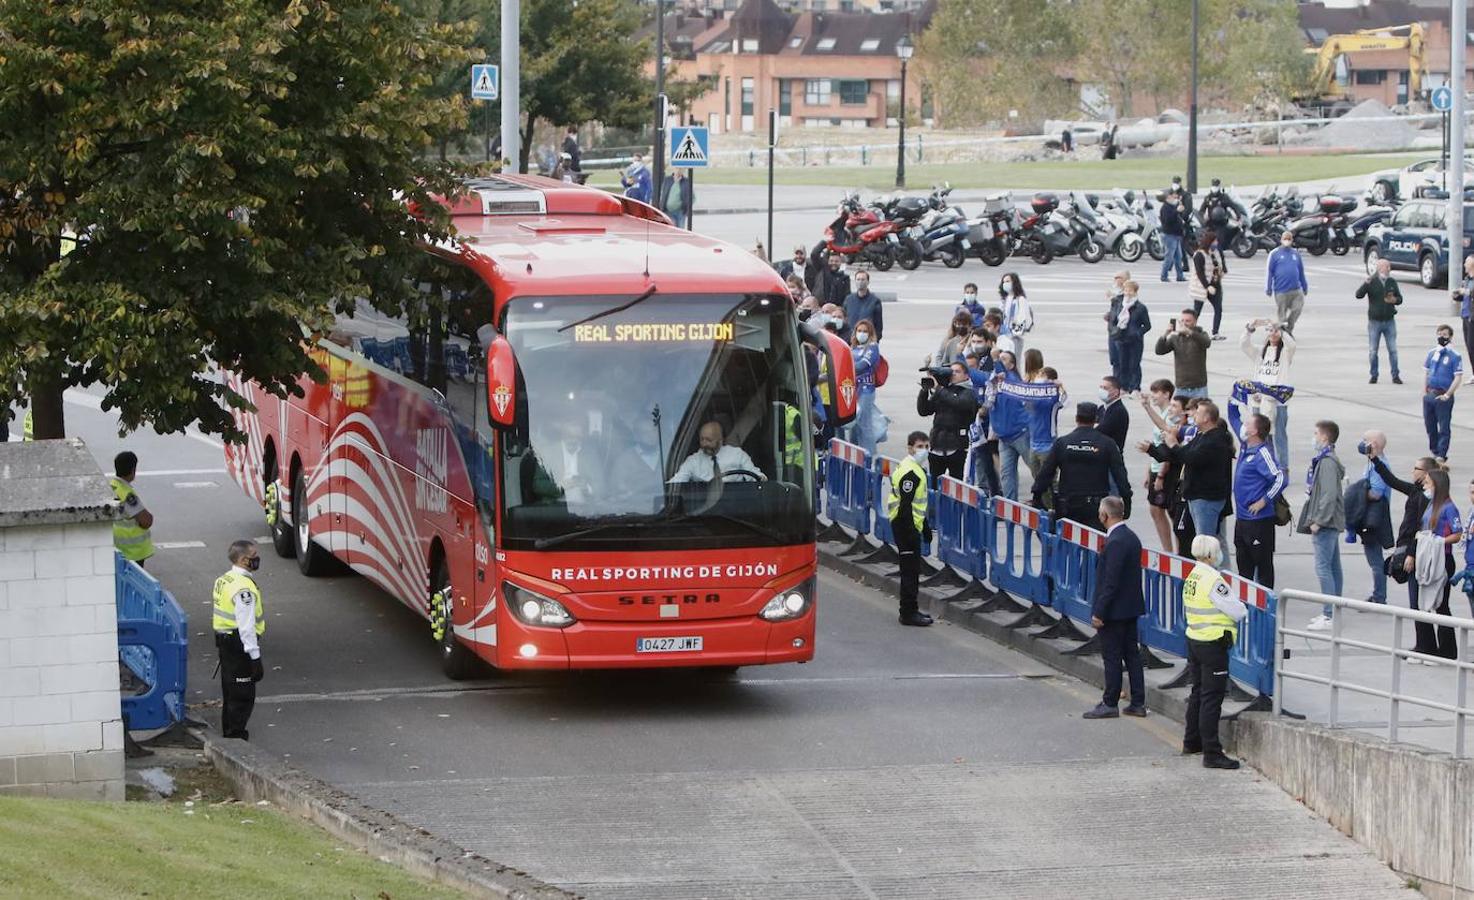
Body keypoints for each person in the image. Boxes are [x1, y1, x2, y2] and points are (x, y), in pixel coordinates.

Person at [1369, 453, 1455, 658]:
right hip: (1417, 553)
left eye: (1416, 469)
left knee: (1433, 604)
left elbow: (1421, 531)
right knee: (1418, 604)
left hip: (1424, 556)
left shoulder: (1430, 500)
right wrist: (1375, 461)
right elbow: (1393, 481)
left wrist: (1411, 554)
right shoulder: (1416, 491)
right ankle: (1426, 646)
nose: (1412, 472)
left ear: (1427, 474)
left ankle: (1441, 650)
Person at [1180, 534, 1248, 769]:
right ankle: (1212, 752)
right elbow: (1237, 611)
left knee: (1198, 693)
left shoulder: (1193, 575)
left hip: (1195, 640)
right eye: (1218, 551)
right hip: (1213, 643)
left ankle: (1191, 741)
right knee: (1212, 697)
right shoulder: (1212, 579)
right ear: (1210, 555)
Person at [1083, 496, 1147, 719]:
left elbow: (1111, 581)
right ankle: (1138, 702)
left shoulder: (1116, 542)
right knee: (1132, 656)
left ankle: (1110, 702)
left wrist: (1099, 611)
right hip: (1130, 608)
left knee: (1112, 657)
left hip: (1115, 611)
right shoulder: (1131, 537)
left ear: (1105, 515)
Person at [1144, 400, 1233, 556]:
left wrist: (1173, 444)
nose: (1192, 415)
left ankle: (1210, 575)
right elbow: (1180, 451)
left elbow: (1190, 458)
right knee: (1203, 540)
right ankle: (1214, 573)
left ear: (1206, 418)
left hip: (1206, 499)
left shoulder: (1214, 441)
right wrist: (1152, 449)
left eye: (1197, 412)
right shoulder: (1201, 435)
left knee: (1205, 544)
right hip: (1196, 496)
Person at [1031, 402, 1131, 528]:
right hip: (1096, 507)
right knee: (1095, 543)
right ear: (1096, 420)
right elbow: (1120, 474)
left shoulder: (1063, 443)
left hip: (1068, 505)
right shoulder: (1107, 444)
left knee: (1067, 543)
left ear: (1076, 418)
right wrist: (1127, 499)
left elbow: (1046, 472)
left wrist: (1037, 495)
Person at [213, 539, 266, 740]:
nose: (257, 560)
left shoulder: (224, 579)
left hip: (225, 642)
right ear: (244, 560)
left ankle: (229, 733)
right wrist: (254, 657)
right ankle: (235, 737)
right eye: (254, 557)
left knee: (230, 691)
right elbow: (246, 627)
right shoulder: (244, 588)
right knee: (242, 694)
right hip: (239, 645)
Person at [1228, 411, 1284, 587]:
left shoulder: (1262, 453)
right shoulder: (1246, 447)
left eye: (1248, 423)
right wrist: (1235, 397)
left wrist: (1264, 501)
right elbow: (1233, 418)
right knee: (1244, 569)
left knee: (1263, 567)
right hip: (1242, 520)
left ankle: (1266, 610)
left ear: (1254, 431)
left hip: (1259, 521)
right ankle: (1246, 609)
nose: (1243, 425)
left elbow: (1281, 478)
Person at [1300, 420, 1347, 631]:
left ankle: (1329, 614)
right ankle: (1333, 609)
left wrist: (1319, 519)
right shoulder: (1326, 460)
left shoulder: (1327, 463)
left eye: (1316, 433)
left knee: (1323, 568)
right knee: (1333, 566)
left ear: (1325, 437)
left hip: (1325, 523)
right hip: (1330, 521)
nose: (1314, 437)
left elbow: (1329, 495)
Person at [1411, 469, 1462, 663]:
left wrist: (1439, 541)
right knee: (1430, 602)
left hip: (1443, 558)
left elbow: (1458, 533)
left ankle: (1448, 649)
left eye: (1428, 483)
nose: (1425, 486)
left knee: (1441, 604)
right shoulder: (1431, 504)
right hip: (1429, 556)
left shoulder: (1449, 507)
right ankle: (1434, 648)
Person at [890, 432, 934, 627]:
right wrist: (911, 533)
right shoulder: (911, 473)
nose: (923, 450)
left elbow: (917, 504)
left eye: (926, 446)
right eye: (919, 446)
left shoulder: (915, 469)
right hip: (904, 526)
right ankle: (908, 612)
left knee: (913, 570)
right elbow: (905, 506)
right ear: (909, 448)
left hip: (910, 525)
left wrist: (924, 527)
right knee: (910, 572)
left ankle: (911, 609)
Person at [1240, 318, 1296, 469]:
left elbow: (1292, 345)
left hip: (1278, 401)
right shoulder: (1260, 352)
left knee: (1279, 434)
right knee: (1260, 433)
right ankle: (1264, 462)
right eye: (1270, 331)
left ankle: (1283, 465)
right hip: (1259, 399)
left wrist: (1281, 330)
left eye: (1275, 331)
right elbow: (1244, 344)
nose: (1272, 334)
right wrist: (1250, 328)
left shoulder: (1285, 353)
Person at [917, 361, 979, 483]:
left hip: (957, 447)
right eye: (952, 371)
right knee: (934, 484)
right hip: (937, 444)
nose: (953, 374)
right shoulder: (944, 390)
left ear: (966, 376)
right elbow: (924, 411)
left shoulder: (969, 392)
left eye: (957, 371)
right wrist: (924, 391)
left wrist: (938, 389)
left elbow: (958, 403)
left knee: (957, 486)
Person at [1352, 431, 1394, 606]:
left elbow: (1376, 493)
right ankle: (1378, 594)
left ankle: (1379, 596)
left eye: (1366, 440)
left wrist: (1356, 494)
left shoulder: (1378, 466)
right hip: (1373, 516)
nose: (1362, 443)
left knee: (1375, 559)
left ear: (1374, 444)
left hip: (1373, 518)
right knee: (1374, 558)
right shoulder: (1375, 463)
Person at [1138, 380, 1181, 551]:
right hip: (1156, 467)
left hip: (1164, 470)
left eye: (1156, 392)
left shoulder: (1170, 417)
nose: (1154, 396)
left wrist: (1161, 475)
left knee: (1168, 511)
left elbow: (1169, 451)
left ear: (1166, 394)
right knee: (1155, 510)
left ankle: (1176, 551)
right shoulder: (1162, 414)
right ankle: (1168, 550)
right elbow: (1156, 444)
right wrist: (1149, 471)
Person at [987, 350, 1031, 501]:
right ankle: (1009, 507)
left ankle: (1047, 502)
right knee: (1006, 475)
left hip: (1020, 434)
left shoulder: (1011, 381)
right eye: (999, 359)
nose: (1000, 360)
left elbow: (1002, 374)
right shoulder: (995, 382)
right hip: (1004, 437)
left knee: (1037, 470)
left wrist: (995, 359)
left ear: (1012, 365)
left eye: (1004, 359)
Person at [1356, 257, 1404, 384]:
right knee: (1373, 350)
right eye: (1386, 266)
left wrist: (1395, 300)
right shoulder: (1372, 281)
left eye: (1389, 266)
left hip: (1389, 320)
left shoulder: (1392, 282)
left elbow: (1400, 299)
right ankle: (1374, 374)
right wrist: (1365, 284)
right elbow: (1358, 295)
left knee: (1393, 350)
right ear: (1379, 268)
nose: (1388, 269)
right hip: (1375, 321)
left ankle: (1395, 375)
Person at [670, 421, 765, 483]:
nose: (704, 444)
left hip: (735, 504)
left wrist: (761, 478)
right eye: (702, 439)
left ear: (720, 440)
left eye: (708, 440)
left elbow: (755, 475)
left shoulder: (737, 455)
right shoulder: (693, 461)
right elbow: (677, 481)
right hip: (705, 508)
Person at [846, 319, 887, 457]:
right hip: (852, 390)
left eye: (865, 331)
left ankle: (870, 458)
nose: (861, 334)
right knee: (853, 425)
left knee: (864, 424)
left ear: (870, 334)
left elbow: (861, 366)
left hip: (865, 390)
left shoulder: (872, 348)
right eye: (859, 331)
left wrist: (847, 366)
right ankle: (855, 454)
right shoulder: (851, 348)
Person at [1423, 324, 1462, 464]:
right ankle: (1434, 450)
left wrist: (1448, 394)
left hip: (1443, 394)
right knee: (1430, 425)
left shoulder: (1454, 355)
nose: (1441, 337)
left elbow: (1458, 377)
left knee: (1444, 425)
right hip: (1430, 393)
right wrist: (1424, 390)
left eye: (1445, 335)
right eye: (1439, 334)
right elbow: (1427, 372)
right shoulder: (1432, 353)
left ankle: (1442, 453)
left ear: (1450, 337)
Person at [1154, 309, 1212, 400]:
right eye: (1182, 321)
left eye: (1188, 321)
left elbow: (1207, 343)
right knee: (1177, 413)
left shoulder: (1201, 334)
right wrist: (1165, 334)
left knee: (1200, 412)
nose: (1184, 323)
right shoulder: (1175, 338)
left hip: (1199, 387)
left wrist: (1190, 333)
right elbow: (1159, 351)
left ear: (1195, 322)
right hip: (1181, 387)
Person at [110, 451, 155, 567]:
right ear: (133, 469)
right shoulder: (126, 494)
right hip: (133, 552)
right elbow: (146, 521)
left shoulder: (112, 486)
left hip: (116, 549)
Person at [1108, 279, 1151, 393]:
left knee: (1134, 364)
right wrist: (1114, 331)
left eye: (1130, 290)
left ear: (1135, 291)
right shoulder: (1119, 304)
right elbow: (1113, 319)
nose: (1127, 292)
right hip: (1121, 338)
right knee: (1123, 364)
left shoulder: (1140, 307)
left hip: (1134, 340)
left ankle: (1135, 387)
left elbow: (1147, 325)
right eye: (1126, 289)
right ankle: (1124, 386)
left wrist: (1137, 333)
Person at [1265, 231, 1308, 333]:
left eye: (1289, 239)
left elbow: (1301, 271)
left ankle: (1289, 327)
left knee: (1297, 309)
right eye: (1285, 239)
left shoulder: (1296, 254)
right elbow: (1269, 271)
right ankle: (1282, 333)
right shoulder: (1274, 254)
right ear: (1281, 240)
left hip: (1296, 290)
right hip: (1281, 290)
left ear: (1292, 241)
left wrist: (1304, 286)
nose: (1287, 241)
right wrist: (1268, 287)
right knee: (1282, 316)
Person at [1188, 232, 1227, 340]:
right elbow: (1200, 273)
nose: (1216, 243)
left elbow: (1222, 264)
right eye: (1214, 241)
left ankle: (1215, 332)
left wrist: (1222, 272)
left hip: (1215, 284)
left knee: (1218, 308)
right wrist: (1207, 286)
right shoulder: (1199, 255)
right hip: (1201, 286)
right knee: (1197, 310)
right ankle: (1190, 330)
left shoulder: (1216, 252)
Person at [997, 273, 1031, 359]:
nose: (1005, 284)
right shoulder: (1004, 300)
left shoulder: (1020, 300)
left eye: (1008, 281)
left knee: (1014, 361)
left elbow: (1024, 318)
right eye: (1004, 282)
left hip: (1014, 336)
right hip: (1003, 335)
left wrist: (1014, 333)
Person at [1158, 189, 1187, 283]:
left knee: (1178, 257)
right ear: (1168, 197)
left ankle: (1180, 275)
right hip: (1169, 235)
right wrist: (1177, 212)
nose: (1175, 198)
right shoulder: (1165, 208)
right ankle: (1164, 275)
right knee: (1169, 256)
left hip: (1176, 235)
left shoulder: (1172, 206)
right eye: (1173, 196)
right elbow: (1168, 220)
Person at [1096, 376, 1129, 455]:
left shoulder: (1118, 411)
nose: (1101, 390)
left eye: (1105, 388)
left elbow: (1100, 431)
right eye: (1100, 387)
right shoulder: (1102, 408)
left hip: (1112, 456)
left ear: (1116, 392)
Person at [1457, 255, 1474, 382]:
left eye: (1466, 262)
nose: (1464, 265)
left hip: (1472, 318)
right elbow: (1465, 296)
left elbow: (1470, 292)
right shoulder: (1467, 279)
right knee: (1469, 346)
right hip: (1466, 315)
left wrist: (1466, 291)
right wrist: (1457, 296)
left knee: (1472, 346)